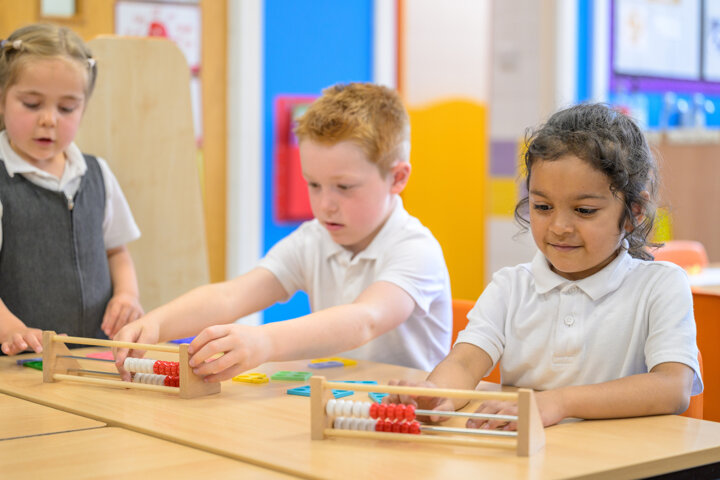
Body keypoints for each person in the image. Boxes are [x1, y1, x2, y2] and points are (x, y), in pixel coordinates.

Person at [387, 103, 702, 430]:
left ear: (633, 212)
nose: (559, 227)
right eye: (542, 206)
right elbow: (465, 364)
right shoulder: (510, 287)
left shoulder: (660, 286)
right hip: (532, 454)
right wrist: (436, 395)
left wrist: (558, 403)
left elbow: (672, 387)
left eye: (584, 210)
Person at [114, 82, 451, 381]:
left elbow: (365, 319)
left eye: (345, 187)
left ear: (397, 178)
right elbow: (232, 296)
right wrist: (157, 324)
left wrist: (264, 341)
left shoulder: (415, 248)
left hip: (409, 417)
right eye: (313, 184)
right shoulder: (314, 239)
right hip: (338, 406)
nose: (325, 205)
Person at [0, 24, 142, 355]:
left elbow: (116, 251)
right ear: (2, 99)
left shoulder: (97, 173)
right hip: (19, 364)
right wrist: (11, 329)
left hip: (95, 355)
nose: (49, 119)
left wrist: (127, 295)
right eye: (32, 103)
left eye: (66, 108)